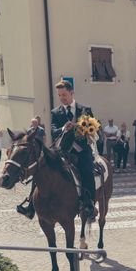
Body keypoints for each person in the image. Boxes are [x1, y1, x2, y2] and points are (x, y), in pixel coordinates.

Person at [49, 79, 95, 218]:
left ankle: (89, 205)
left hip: (82, 151)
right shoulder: (56, 113)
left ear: (71, 93)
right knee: (44, 168)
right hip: (64, 152)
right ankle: (31, 205)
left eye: (64, 94)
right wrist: (63, 128)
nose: (62, 98)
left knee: (87, 172)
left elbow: (93, 130)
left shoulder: (85, 110)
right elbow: (53, 131)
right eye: (59, 95)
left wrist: (79, 127)